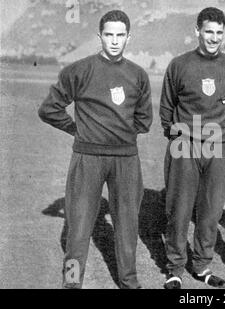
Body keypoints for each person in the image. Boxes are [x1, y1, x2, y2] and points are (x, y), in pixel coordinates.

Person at [38, 10, 152, 289]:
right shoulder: (78, 70)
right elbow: (49, 109)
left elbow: (144, 120)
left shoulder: (138, 75)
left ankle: (129, 281)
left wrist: (119, 136)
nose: (114, 41)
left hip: (126, 160)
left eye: (120, 35)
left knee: (127, 226)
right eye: (109, 34)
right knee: (77, 228)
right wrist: (75, 129)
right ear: (99, 36)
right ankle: (72, 283)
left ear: (129, 37)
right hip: (87, 158)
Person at [159, 7, 225, 289]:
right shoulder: (179, 65)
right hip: (186, 147)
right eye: (208, 31)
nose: (214, 38)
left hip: (220, 149)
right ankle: (175, 269)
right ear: (197, 31)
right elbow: (166, 108)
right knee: (179, 210)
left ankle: (202, 266)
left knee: (211, 211)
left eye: (219, 33)